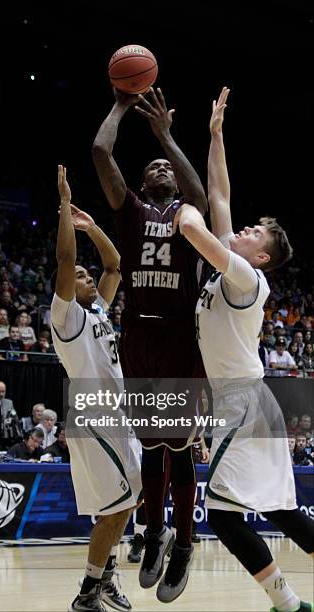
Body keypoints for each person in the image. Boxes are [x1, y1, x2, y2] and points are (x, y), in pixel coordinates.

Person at [176, 87, 313, 612]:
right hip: (247, 402)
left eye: (253, 232)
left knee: (224, 515)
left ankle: (287, 604)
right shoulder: (235, 270)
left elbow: (196, 225)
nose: (243, 228)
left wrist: (182, 212)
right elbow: (221, 197)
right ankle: (289, 604)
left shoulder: (244, 277)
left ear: (261, 256)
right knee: (280, 511)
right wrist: (215, 136)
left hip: (245, 404)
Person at [93, 87, 208, 600]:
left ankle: (183, 542)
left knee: (179, 447)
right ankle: (154, 530)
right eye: (155, 165)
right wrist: (120, 105)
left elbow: (201, 195)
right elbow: (100, 153)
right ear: (142, 181)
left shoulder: (188, 215)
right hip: (139, 332)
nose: (163, 169)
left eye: (169, 166)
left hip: (181, 336)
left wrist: (166, 134)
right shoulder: (132, 212)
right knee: (151, 446)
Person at [51, 166, 141, 612]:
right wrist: (66, 208)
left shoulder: (99, 310)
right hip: (93, 413)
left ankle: (105, 579)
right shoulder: (65, 318)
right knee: (120, 502)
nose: (87, 276)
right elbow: (67, 261)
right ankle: (89, 591)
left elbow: (115, 264)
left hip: (116, 415)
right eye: (80, 278)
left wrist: (92, 226)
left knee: (123, 501)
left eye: (88, 278)